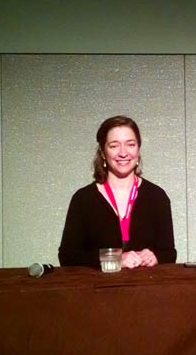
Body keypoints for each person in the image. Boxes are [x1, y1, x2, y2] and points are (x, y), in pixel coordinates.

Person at [59, 115, 176, 268]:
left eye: (130, 144)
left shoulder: (157, 196)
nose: (123, 153)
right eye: (114, 146)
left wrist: (155, 256)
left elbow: (169, 253)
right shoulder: (83, 199)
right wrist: (113, 259)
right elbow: (67, 256)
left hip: (146, 289)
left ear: (138, 149)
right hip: (98, 290)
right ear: (102, 152)